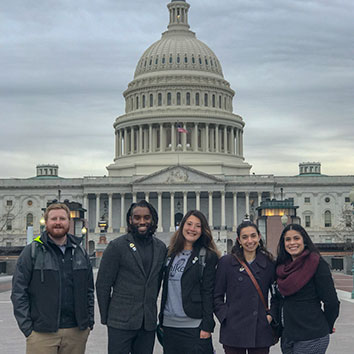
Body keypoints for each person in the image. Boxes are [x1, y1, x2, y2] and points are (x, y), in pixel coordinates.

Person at [11, 203, 94, 354]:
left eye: (62, 218)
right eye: (53, 218)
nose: (58, 222)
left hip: (75, 332)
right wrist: (28, 328)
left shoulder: (80, 252)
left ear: (69, 222)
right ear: (46, 222)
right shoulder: (32, 252)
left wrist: (88, 323)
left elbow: (88, 290)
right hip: (41, 333)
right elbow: (18, 292)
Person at [96, 200, 167, 354]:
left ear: (152, 219)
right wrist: (108, 317)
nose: (142, 221)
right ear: (130, 220)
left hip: (147, 323)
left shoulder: (160, 248)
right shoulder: (117, 246)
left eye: (146, 217)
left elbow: (157, 283)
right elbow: (103, 284)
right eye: (137, 217)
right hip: (120, 322)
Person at [159, 210, 220, 354]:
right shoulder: (170, 253)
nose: (192, 229)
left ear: (203, 230)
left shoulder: (207, 256)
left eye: (197, 226)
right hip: (169, 325)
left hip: (194, 325)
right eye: (189, 224)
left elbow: (208, 292)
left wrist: (207, 326)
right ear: (182, 226)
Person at [275, 223, 340, 354]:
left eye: (296, 238)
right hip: (288, 335)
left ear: (304, 240)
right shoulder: (282, 267)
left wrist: (327, 325)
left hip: (311, 335)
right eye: (288, 239)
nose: (292, 243)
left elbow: (331, 302)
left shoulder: (316, 263)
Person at [214, 220, 276, 354]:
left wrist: (270, 315)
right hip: (234, 328)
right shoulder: (226, 263)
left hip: (260, 328)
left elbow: (278, 295)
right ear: (239, 240)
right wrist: (225, 316)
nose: (250, 241)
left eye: (253, 236)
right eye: (245, 237)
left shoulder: (268, 263)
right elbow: (216, 295)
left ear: (259, 237)